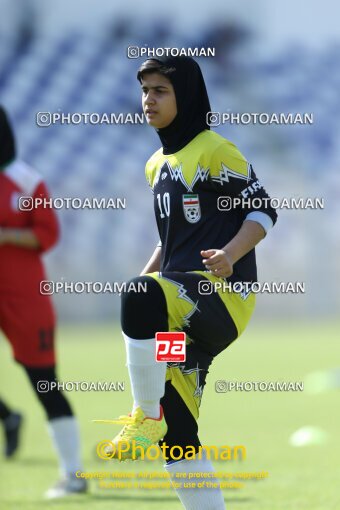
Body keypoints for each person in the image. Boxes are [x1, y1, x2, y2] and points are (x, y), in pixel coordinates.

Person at [101, 56, 278, 510]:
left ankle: (143, 414)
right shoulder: (154, 165)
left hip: (219, 298)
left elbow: (263, 211)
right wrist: (147, 275)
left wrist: (230, 255)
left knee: (142, 301)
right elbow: (171, 239)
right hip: (177, 315)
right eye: (144, 91)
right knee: (178, 432)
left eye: (160, 90)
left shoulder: (216, 149)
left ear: (187, 95)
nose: (148, 100)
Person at [0, 106, 86, 499]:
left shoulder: (26, 181)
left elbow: (47, 235)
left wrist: (4, 235)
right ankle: (7, 416)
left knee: (45, 381)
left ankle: (73, 475)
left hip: (23, 294)